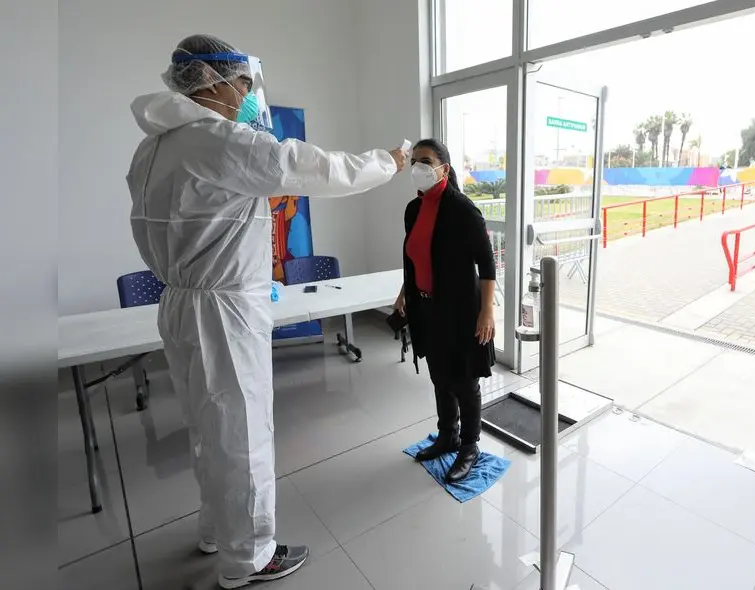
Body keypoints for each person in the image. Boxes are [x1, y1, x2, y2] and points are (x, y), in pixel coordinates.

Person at [126, 34, 406, 589]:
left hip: (180, 302)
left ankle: (217, 530)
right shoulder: (219, 140)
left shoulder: (153, 148)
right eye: (245, 83)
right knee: (243, 432)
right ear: (216, 83)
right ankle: (249, 557)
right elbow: (316, 168)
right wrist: (390, 162)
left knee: (207, 427)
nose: (250, 94)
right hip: (224, 311)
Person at [393, 139, 497, 482]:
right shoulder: (413, 209)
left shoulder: (463, 210)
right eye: (414, 161)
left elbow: (487, 264)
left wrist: (487, 312)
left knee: (464, 380)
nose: (418, 167)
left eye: (426, 161)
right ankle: (447, 435)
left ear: (444, 169)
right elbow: (415, 257)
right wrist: (405, 291)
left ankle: (469, 446)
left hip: (462, 309)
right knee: (439, 375)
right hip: (426, 307)